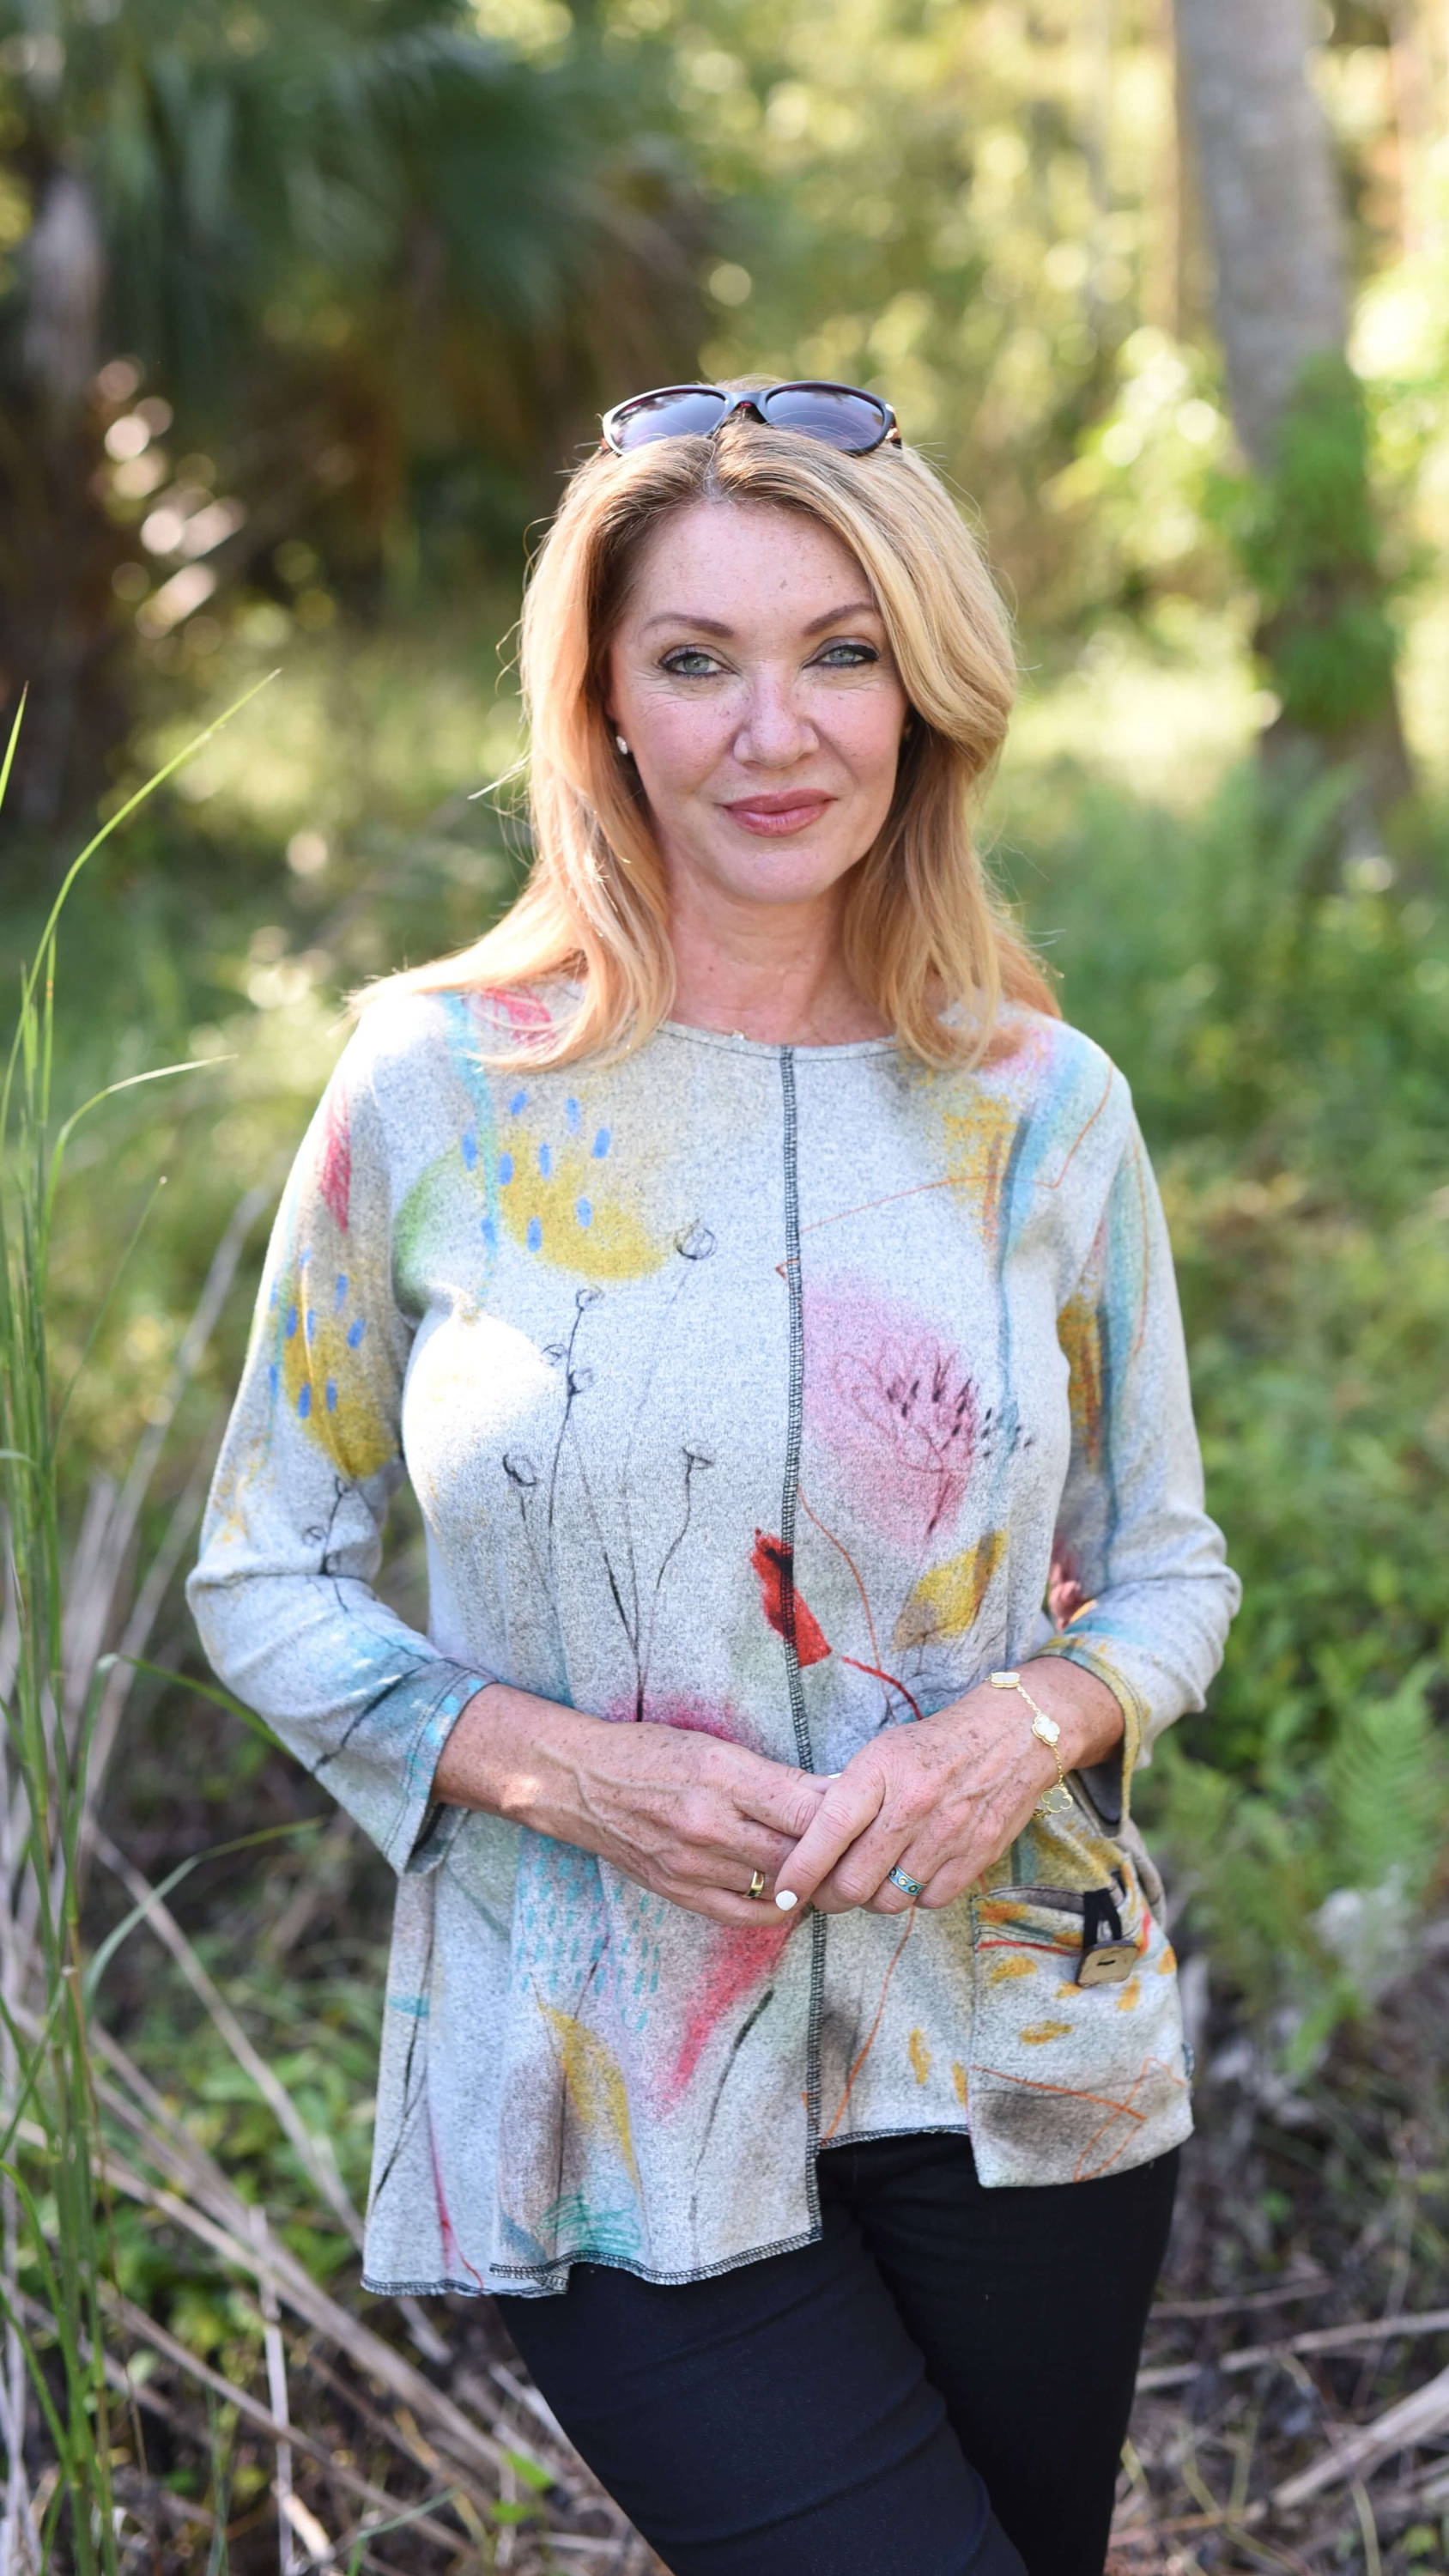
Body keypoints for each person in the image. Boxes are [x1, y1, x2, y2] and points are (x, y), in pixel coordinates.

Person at [186, 376, 1241, 2576]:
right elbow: (259, 1571)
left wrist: (1019, 1728)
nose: (778, 732)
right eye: (699, 659)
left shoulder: (1042, 1109)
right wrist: (558, 1767)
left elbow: (1164, 1575)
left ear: (925, 693)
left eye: (841, 653)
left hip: (1024, 2071)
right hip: (600, 2079)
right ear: (604, 703)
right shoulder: (432, 1084)